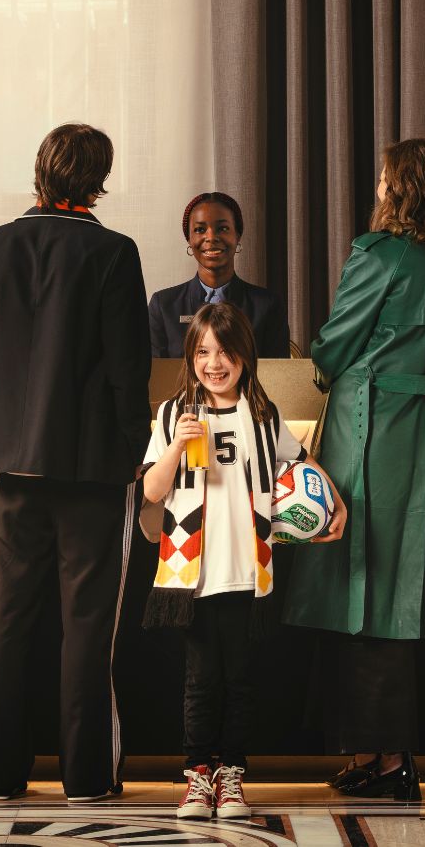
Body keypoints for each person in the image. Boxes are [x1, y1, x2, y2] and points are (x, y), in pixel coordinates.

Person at [279, 138, 425, 801]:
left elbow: (334, 344)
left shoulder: (378, 254)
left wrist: (321, 363)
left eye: (383, 178)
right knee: (394, 588)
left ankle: (390, 761)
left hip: (371, 428)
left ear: (398, 187)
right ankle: (373, 755)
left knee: (360, 584)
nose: (377, 187)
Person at [0, 122, 151, 803]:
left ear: (40, 168)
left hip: (12, 465)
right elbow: (128, 368)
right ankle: (87, 778)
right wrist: (135, 449)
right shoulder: (114, 252)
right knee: (88, 626)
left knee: (6, 620)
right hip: (92, 468)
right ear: (98, 178)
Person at [136, 302, 346, 820]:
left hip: (247, 570)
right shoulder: (173, 414)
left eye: (225, 352)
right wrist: (177, 447)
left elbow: (300, 461)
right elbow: (152, 490)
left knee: (240, 678)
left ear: (244, 356)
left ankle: (231, 776)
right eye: (203, 352)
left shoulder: (262, 414)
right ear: (190, 357)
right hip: (193, 570)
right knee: (200, 678)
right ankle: (198, 776)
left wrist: (335, 502)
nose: (214, 363)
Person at [147, 192, 291, 358]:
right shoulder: (163, 306)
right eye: (200, 230)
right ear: (189, 239)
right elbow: (157, 372)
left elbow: (276, 371)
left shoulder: (268, 306)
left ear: (237, 236)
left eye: (222, 228)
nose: (211, 237)